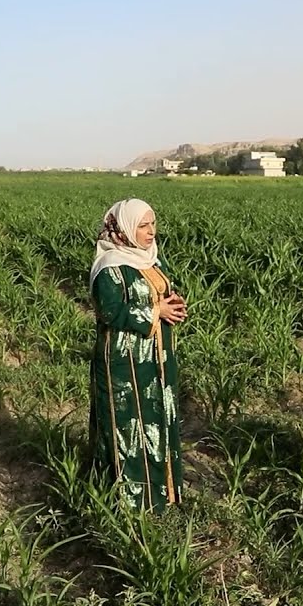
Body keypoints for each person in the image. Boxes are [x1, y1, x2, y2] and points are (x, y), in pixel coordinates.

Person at [88, 198, 188, 512]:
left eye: (153, 224)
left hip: (157, 358)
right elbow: (110, 312)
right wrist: (156, 310)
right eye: (142, 225)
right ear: (124, 229)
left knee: (159, 420)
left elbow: (158, 293)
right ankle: (128, 503)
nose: (150, 231)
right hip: (124, 363)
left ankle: (162, 494)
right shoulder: (110, 267)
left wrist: (173, 304)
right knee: (128, 428)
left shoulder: (150, 260)